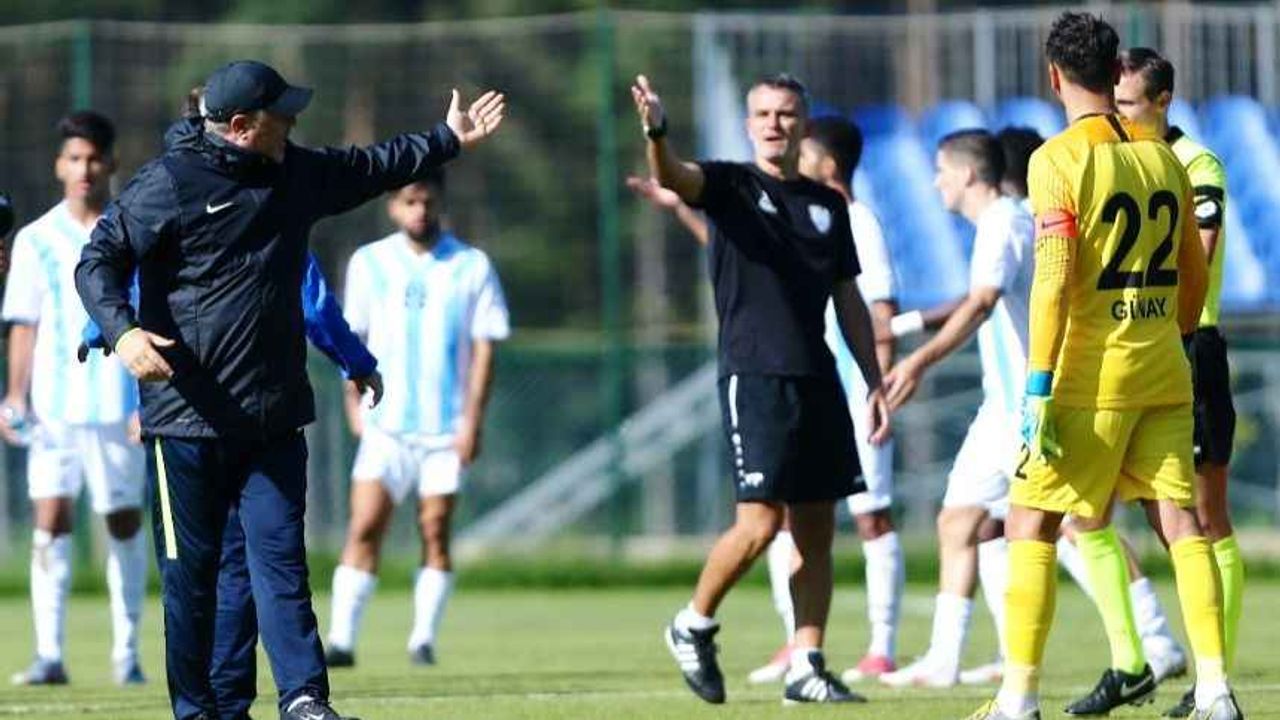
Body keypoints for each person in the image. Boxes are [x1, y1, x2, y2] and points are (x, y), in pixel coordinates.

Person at [75, 59, 504, 720]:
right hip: (184, 421)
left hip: (272, 418)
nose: (294, 123)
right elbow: (98, 261)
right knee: (193, 580)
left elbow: (370, 167)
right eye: (282, 115)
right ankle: (201, 711)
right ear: (241, 126)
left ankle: (304, 699)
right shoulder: (167, 184)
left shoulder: (293, 173)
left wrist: (445, 139)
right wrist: (122, 332)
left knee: (277, 566)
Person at [966, 12, 1241, 720]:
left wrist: (1038, 384)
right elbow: (1195, 276)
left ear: (1053, 76)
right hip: (1164, 370)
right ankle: (1215, 689)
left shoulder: (1055, 160)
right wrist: (1170, 338)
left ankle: (1018, 699)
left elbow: (1053, 280)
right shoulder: (1162, 158)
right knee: (1181, 522)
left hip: (1090, 377)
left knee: (1030, 525)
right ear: (1115, 70)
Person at [632, 72, 890, 705]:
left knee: (817, 531)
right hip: (754, 376)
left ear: (803, 124)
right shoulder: (730, 186)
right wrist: (657, 131)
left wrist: (875, 380)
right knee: (758, 524)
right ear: (749, 125)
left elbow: (848, 298)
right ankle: (692, 623)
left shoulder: (828, 206)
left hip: (818, 377)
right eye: (765, 114)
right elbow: (674, 177)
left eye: (787, 113)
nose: (776, 123)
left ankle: (807, 664)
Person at [1068, 46, 1239, 719]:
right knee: (1091, 516)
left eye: (1129, 103)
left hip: (1185, 345)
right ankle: (1136, 662)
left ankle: (1213, 678)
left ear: (1162, 101)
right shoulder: (1119, 160)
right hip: (1126, 351)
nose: (1117, 113)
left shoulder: (1194, 163)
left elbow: (1197, 261)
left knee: (1199, 518)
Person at [324, 170, 509, 669]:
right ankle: (341, 641)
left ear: (440, 202)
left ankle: (422, 640)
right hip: (386, 426)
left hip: (446, 428)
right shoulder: (369, 263)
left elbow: (485, 348)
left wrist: (472, 421)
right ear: (393, 206)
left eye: (427, 201)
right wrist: (352, 403)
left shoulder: (471, 265)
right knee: (365, 525)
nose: (419, 211)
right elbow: (352, 338)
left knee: (434, 527)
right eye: (409, 201)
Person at [876, 130, 1033, 689]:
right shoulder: (1003, 223)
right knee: (966, 522)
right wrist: (906, 327)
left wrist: (918, 361)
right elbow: (976, 299)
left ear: (967, 174)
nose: (935, 181)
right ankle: (956, 659)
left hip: (1023, 409)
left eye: (941, 170)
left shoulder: (1003, 223)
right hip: (1004, 407)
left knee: (1070, 531)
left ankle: (1151, 641)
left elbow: (982, 304)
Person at [2, 111, 149, 688]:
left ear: (111, 163)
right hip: (53, 410)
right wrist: (16, 395)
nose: (84, 169)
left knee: (123, 521)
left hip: (118, 406)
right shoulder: (36, 238)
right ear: (59, 166)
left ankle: (127, 652)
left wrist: (148, 399)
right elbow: (24, 324)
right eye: (74, 159)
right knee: (51, 520)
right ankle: (49, 653)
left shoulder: (133, 230)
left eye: (93, 158)